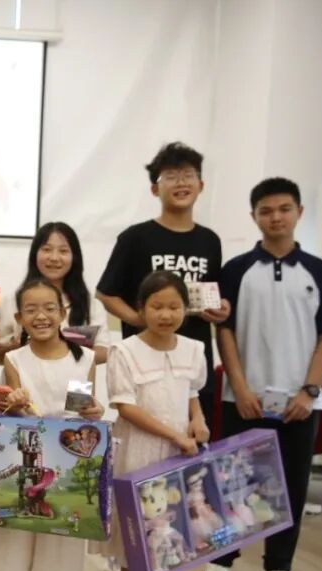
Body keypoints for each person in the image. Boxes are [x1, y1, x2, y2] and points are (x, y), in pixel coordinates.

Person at [201, 178, 322, 571]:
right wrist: (239, 387)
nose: (275, 217)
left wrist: (309, 390)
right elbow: (224, 332)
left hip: (300, 403)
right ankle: (221, 561)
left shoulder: (320, 273)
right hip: (242, 399)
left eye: (284, 209)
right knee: (231, 482)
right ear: (254, 217)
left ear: (299, 212)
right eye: (266, 211)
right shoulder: (235, 270)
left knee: (292, 487)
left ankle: (278, 568)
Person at [0, 278, 103, 571]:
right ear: (19, 319)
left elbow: (82, 412)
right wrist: (15, 404)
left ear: (63, 313)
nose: (41, 316)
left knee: (61, 544)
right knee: (12, 541)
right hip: (22, 461)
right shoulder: (15, 359)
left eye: (50, 308)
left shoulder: (84, 358)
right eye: (31, 310)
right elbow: (14, 413)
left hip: (67, 463)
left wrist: (94, 411)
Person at [97, 142, 229, 427]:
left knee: (193, 439)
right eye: (171, 176)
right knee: (146, 436)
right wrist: (139, 319)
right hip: (145, 362)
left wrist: (221, 309)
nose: (181, 183)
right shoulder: (135, 238)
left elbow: (214, 293)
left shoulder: (210, 241)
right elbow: (106, 293)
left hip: (192, 361)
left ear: (201, 185)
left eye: (188, 175)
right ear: (155, 189)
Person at [101, 271, 210, 571]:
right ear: (141, 309)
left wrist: (198, 420)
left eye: (174, 307)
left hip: (178, 455)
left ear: (186, 309)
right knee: (134, 539)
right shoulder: (124, 350)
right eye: (157, 306)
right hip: (137, 453)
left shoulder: (194, 349)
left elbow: (191, 392)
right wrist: (176, 434)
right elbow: (125, 406)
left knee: (167, 536)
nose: (166, 314)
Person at [0, 222, 111, 365]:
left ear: (74, 257)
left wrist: (60, 351)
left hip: (75, 378)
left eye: (63, 251)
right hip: (23, 377)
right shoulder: (12, 300)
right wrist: (22, 346)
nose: (54, 258)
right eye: (47, 249)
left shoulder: (91, 304)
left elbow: (104, 352)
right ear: (35, 254)